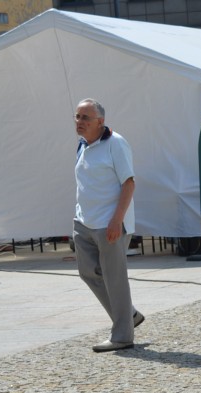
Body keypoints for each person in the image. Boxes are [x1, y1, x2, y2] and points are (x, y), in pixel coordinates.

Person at [72, 98, 142, 353]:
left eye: (85, 118)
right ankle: (129, 315)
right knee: (88, 272)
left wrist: (117, 220)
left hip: (109, 223)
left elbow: (129, 183)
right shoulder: (83, 145)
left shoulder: (116, 144)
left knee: (115, 279)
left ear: (100, 122)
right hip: (84, 221)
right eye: (77, 117)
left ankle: (123, 335)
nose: (79, 122)